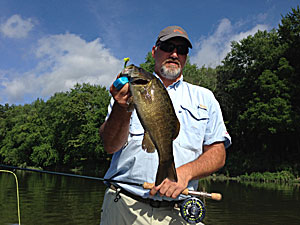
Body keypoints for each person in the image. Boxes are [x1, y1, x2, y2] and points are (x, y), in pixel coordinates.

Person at [99, 25, 231, 225]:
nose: (174, 54)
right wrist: (120, 108)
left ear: (186, 57)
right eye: (168, 46)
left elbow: (218, 154)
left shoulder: (205, 97)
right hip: (124, 206)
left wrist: (186, 173)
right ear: (154, 51)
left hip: (180, 212)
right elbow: (110, 146)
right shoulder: (129, 92)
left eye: (182, 50)